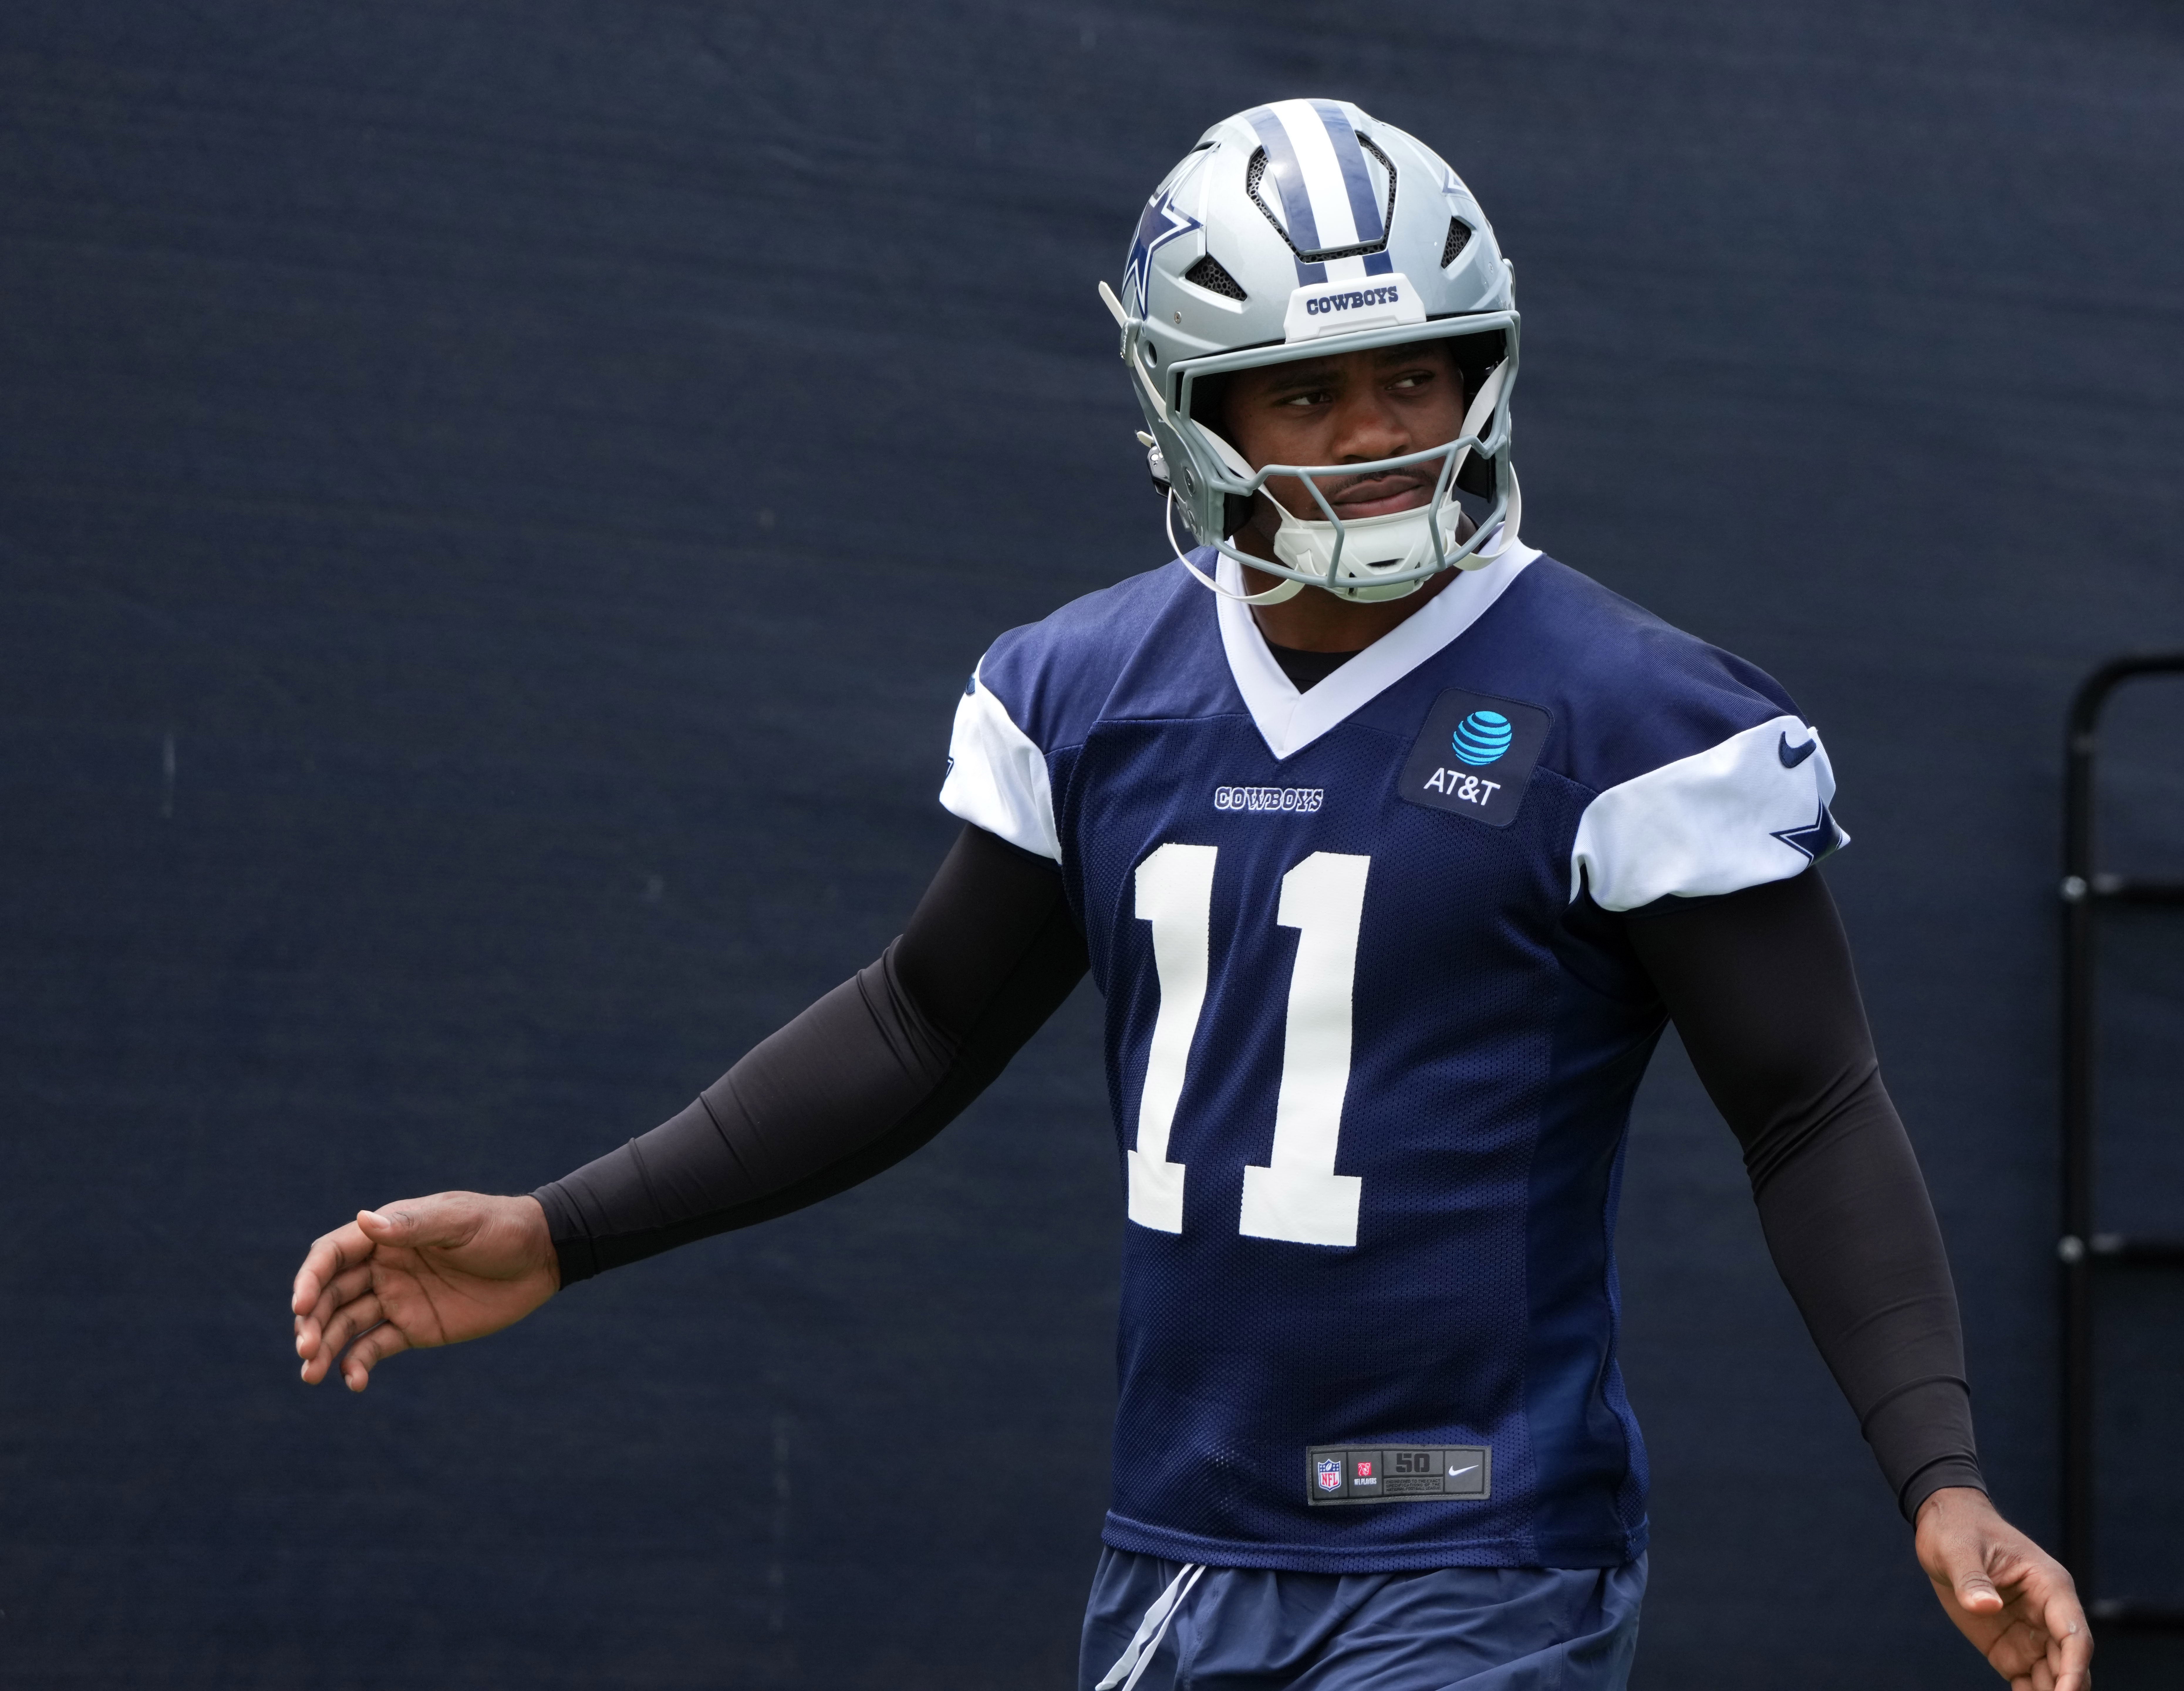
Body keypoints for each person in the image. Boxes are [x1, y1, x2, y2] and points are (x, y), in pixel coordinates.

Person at [291, 99, 2092, 1691]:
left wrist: (1937, 1473)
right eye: (1307, 387)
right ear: (1188, 404)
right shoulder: (1088, 690)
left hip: (1475, 1539)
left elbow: (1811, 1107)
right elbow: (917, 1025)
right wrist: (564, 1226)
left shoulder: (1636, 714)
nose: (1381, 431)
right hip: (1185, 1542)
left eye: (1418, 373)